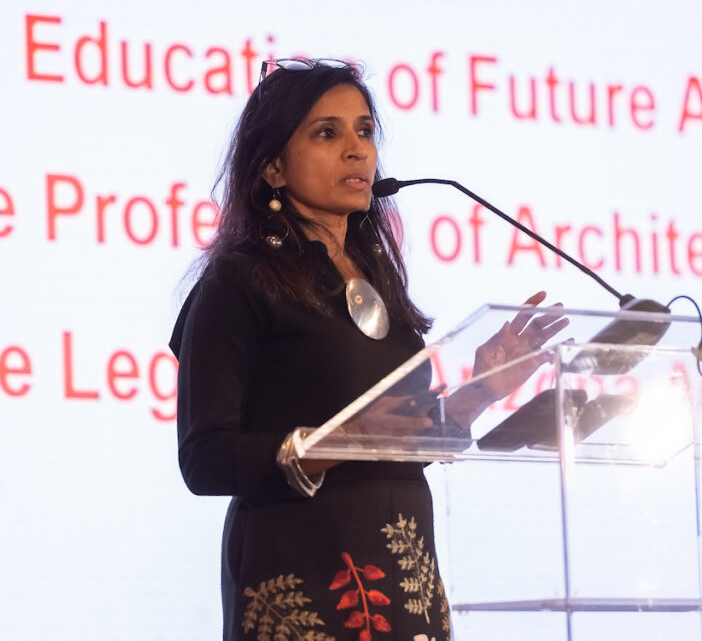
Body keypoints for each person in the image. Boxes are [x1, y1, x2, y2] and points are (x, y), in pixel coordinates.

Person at [169, 58, 565, 641]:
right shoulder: (239, 281)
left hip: (403, 571)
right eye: (327, 133)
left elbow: (401, 439)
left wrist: (480, 391)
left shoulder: (378, 277)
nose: (357, 150)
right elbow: (204, 459)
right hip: (304, 571)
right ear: (273, 167)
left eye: (364, 130)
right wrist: (343, 439)